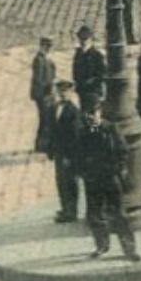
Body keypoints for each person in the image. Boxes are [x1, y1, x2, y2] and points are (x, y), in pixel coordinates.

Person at [78, 103, 139, 261]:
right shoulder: (84, 132)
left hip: (110, 178)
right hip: (93, 180)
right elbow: (78, 154)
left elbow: (123, 151)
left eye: (94, 113)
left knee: (119, 214)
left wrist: (116, 169)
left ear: (100, 113)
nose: (91, 117)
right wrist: (85, 172)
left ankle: (129, 248)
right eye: (88, 114)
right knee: (95, 215)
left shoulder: (111, 129)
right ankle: (101, 245)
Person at [49, 80, 84, 223]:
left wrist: (70, 156)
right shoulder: (55, 107)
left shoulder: (73, 111)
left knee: (70, 182)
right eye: (60, 92)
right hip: (59, 152)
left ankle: (71, 211)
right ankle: (65, 208)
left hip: (68, 154)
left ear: (71, 93)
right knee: (61, 181)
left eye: (65, 91)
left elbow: (75, 137)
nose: (63, 94)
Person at [30, 36, 57, 154]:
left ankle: (42, 144)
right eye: (47, 46)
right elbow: (39, 79)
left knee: (45, 118)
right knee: (45, 118)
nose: (49, 49)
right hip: (43, 94)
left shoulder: (45, 58)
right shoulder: (39, 60)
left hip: (45, 93)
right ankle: (42, 145)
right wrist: (48, 90)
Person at [72, 24, 106, 109]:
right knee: (83, 114)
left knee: (93, 114)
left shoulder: (97, 55)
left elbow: (101, 74)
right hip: (81, 91)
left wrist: (90, 82)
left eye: (85, 39)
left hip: (93, 91)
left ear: (90, 39)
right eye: (81, 39)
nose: (83, 42)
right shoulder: (78, 53)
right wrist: (77, 82)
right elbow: (75, 71)